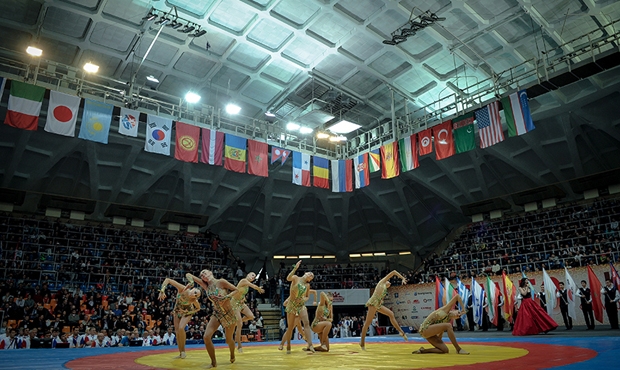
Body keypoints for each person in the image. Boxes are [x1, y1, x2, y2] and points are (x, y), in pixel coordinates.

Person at [189, 270, 238, 368]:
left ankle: (232, 353)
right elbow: (189, 274)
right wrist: (191, 282)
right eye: (201, 275)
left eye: (204, 272)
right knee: (206, 337)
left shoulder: (221, 282)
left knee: (228, 340)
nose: (203, 275)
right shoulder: (205, 286)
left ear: (210, 272)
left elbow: (236, 290)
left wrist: (226, 297)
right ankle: (213, 362)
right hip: (217, 314)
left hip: (229, 314)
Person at [360, 270, 408, 350]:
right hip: (373, 303)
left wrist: (381, 300)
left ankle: (401, 332)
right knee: (367, 323)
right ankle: (362, 342)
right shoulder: (382, 282)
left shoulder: (385, 289)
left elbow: (381, 299)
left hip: (378, 304)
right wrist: (402, 278)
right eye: (388, 282)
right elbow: (394, 272)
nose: (390, 283)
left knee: (391, 314)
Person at [158, 276, 201, 359]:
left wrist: (189, 312)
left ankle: (184, 351)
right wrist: (162, 291)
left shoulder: (193, 300)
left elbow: (198, 308)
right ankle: (181, 352)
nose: (194, 295)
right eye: (195, 292)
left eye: (196, 295)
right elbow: (168, 279)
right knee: (177, 332)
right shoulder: (183, 289)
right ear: (193, 288)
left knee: (181, 328)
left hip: (187, 312)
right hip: (177, 311)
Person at [281, 260, 317, 353]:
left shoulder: (307, 285)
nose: (310, 275)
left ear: (310, 280)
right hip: (292, 304)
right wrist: (295, 268)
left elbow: (307, 297)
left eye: (312, 276)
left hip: (301, 305)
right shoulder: (296, 278)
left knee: (306, 323)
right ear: (305, 273)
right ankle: (287, 344)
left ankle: (310, 344)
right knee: (290, 328)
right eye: (309, 273)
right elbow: (288, 278)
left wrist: (303, 300)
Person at [230, 272, 264, 353]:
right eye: (252, 275)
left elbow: (241, 292)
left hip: (241, 303)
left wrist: (243, 298)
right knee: (240, 325)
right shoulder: (243, 281)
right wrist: (258, 288)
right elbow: (253, 286)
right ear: (248, 275)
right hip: (234, 303)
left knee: (251, 316)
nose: (253, 277)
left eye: (255, 277)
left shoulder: (247, 285)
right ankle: (239, 345)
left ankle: (235, 323)